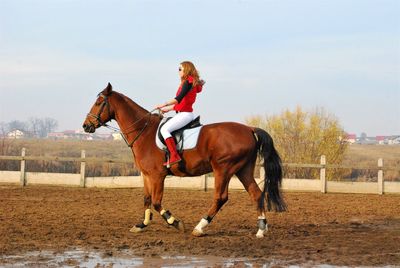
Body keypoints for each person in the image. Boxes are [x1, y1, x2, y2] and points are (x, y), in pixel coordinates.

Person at [155, 61, 205, 167]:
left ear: (186, 70)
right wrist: (167, 109)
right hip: (184, 113)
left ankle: (174, 155)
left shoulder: (188, 83)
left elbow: (178, 99)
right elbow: (183, 103)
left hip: (185, 115)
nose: (178, 71)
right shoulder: (189, 83)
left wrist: (163, 104)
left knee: (164, 129)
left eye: (180, 69)